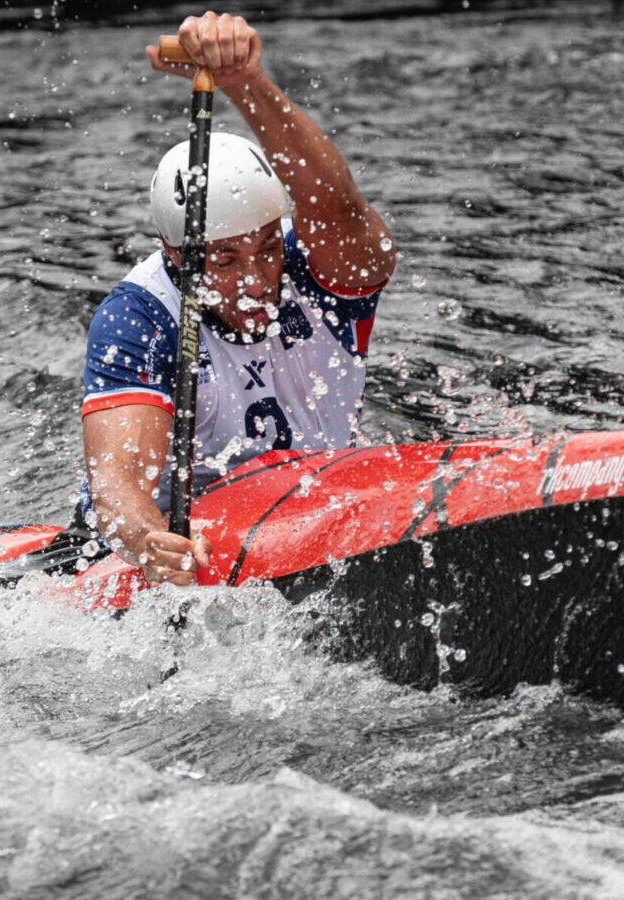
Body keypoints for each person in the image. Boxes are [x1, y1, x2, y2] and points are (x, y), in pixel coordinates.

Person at [78, 11, 397, 587]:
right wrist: (149, 541)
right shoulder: (140, 316)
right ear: (175, 256)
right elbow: (118, 485)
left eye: (266, 248)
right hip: (187, 538)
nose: (254, 280)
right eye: (223, 260)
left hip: (314, 505)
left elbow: (342, 208)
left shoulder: (318, 269)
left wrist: (245, 82)